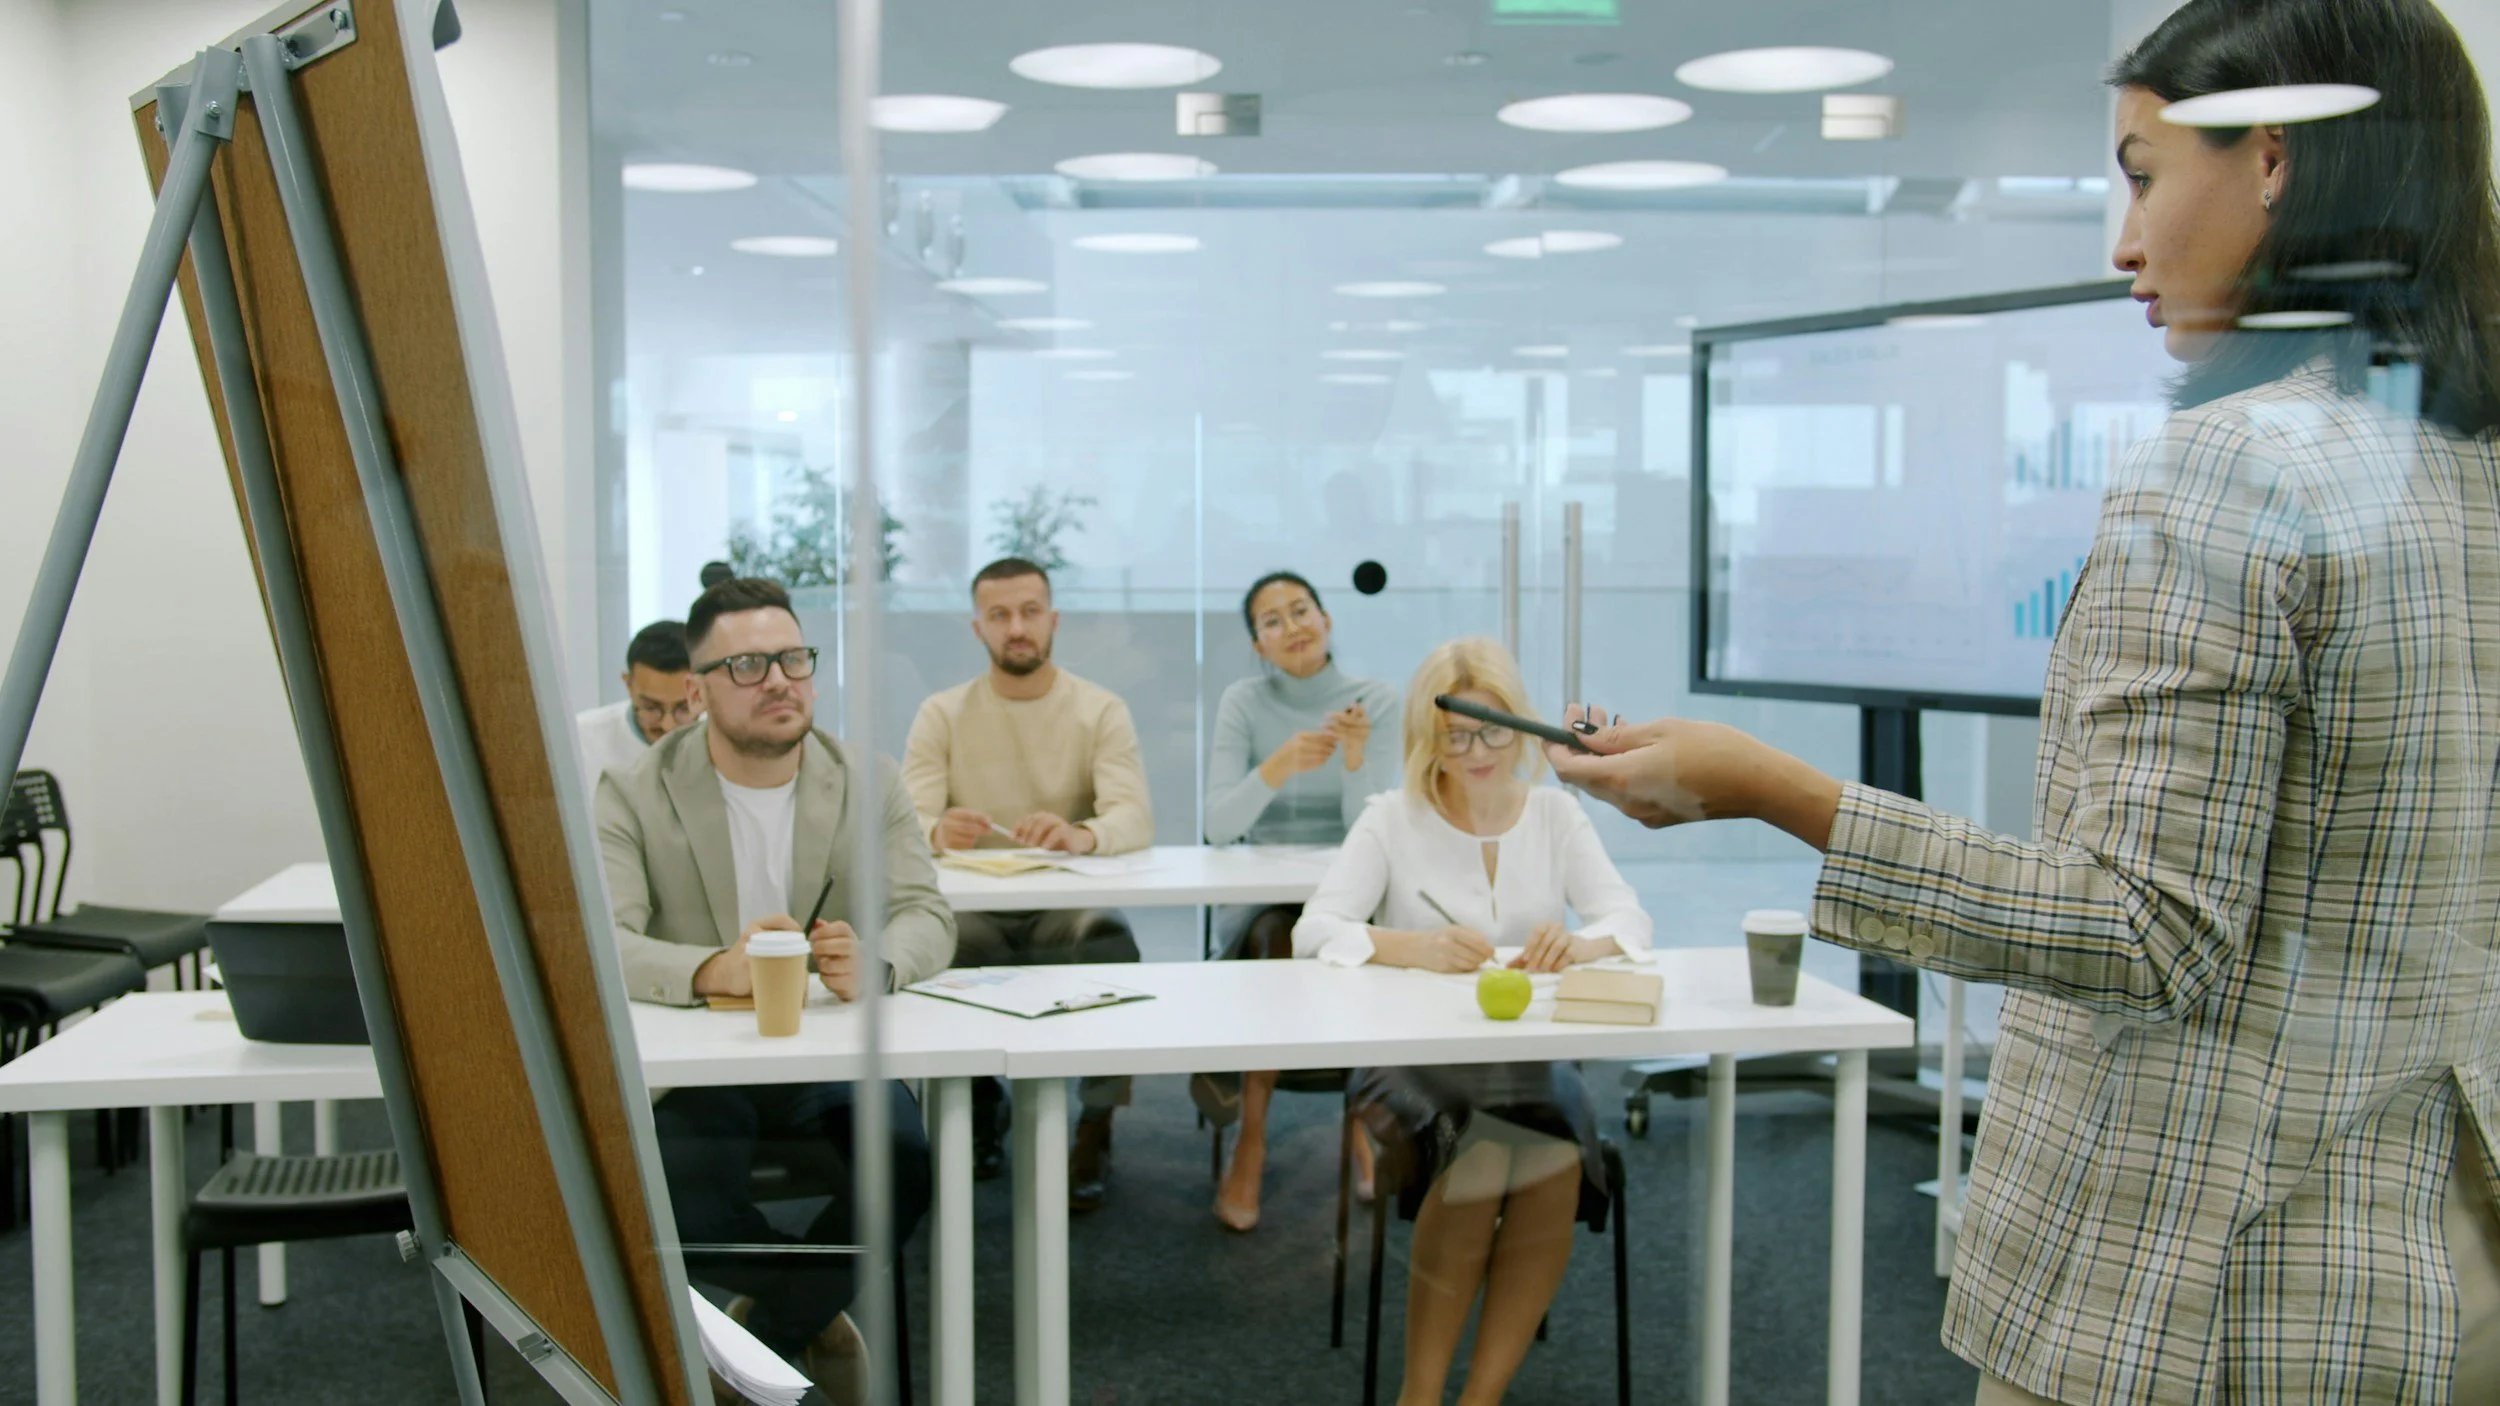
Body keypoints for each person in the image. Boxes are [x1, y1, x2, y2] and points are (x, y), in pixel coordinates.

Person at [1548, 2, 2500, 1401]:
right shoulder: (2464, 468)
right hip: (2430, 1252)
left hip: (2199, 1275)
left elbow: (2142, 928)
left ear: (2277, 160)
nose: (2123, 243)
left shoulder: (2234, 465)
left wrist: (1774, 788)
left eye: (2141, 172)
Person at [597, 577, 956, 1406]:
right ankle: (807, 1320)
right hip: (707, 1059)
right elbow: (605, 944)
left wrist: (881, 961)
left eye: (794, 658)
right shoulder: (634, 791)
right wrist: (707, 969)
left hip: (822, 1049)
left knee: (904, 1164)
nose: (781, 681)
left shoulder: (866, 778)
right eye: (750, 665)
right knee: (676, 1189)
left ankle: (755, 1349)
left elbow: (924, 913)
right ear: (698, 689)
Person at [1295, 637, 1649, 1406]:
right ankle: (1419, 1397)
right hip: (1413, 1059)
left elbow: (1629, 920)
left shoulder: (1555, 815)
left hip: (1529, 1058)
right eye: (1457, 734)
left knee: (1551, 1164)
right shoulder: (1392, 819)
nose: (1477, 750)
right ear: (1430, 736)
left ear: (1520, 729)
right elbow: (1313, 931)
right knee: (1486, 1159)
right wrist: (1410, 946)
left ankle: (1479, 1398)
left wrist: (1579, 944)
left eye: (1493, 730)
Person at [901, 556, 1153, 1209]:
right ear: (977, 627)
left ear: (1053, 620)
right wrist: (937, 830)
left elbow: (1134, 816)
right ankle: (978, 1105)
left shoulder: (1099, 709)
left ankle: (1096, 1123)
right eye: (1000, 615)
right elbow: (907, 818)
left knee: (1106, 946)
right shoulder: (942, 713)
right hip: (973, 907)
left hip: (1063, 904)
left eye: (1030, 612)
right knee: (941, 954)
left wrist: (1081, 833)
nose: (1017, 628)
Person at [1194, 570, 1400, 1230]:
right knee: (1281, 938)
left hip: (1351, 890)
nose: (1292, 627)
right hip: (1261, 901)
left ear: (1327, 619)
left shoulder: (1375, 699)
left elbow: (1369, 826)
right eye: (1272, 621)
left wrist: (1353, 759)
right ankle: (1251, 1143)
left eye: (1301, 610)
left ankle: (1360, 1128)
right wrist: (1278, 765)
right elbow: (1219, 825)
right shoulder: (1243, 702)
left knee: (1348, 941)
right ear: (1259, 645)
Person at [575, 619, 700, 797]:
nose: (668, 725)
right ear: (628, 685)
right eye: (651, 707)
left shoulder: (726, 737)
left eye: (684, 708)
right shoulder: (583, 740)